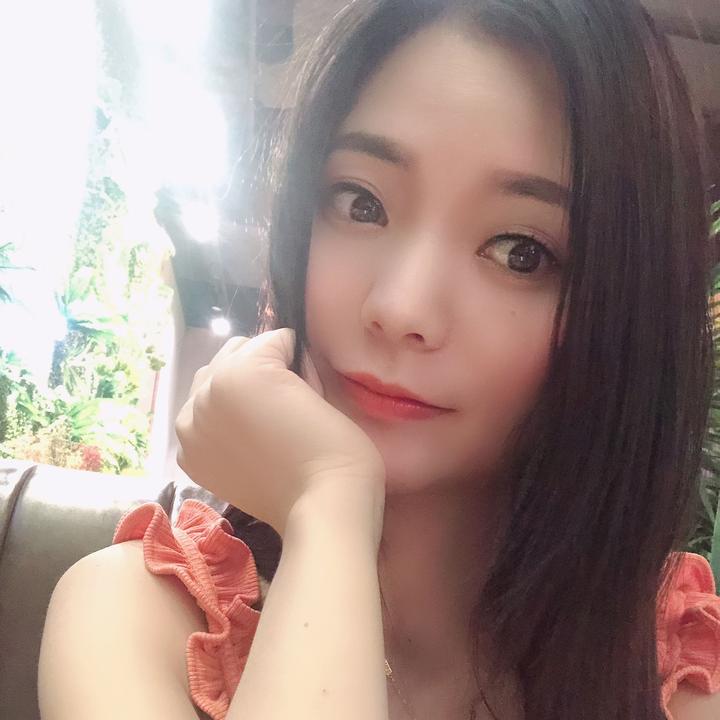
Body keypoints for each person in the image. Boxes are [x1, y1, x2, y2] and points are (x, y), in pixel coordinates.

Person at [38, 1, 720, 719]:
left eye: (521, 252)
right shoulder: (137, 621)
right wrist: (328, 506)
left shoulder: (677, 673)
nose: (400, 307)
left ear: (625, 315)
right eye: (361, 203)